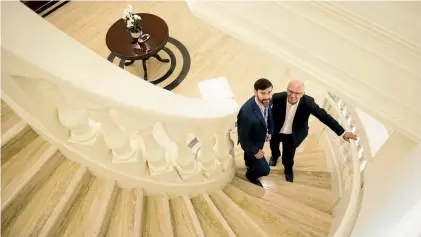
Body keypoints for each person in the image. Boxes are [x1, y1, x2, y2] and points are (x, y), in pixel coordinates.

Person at [270, 79, 357, 182]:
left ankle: (288, 170)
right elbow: (264, 107)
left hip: (293, 135)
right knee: (273, 146)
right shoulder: (277, 97)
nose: (293, 95)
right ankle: (275, 156)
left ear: (302, 94)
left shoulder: (308, 103)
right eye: (290, 91)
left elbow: (324, 117)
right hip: (276, 131)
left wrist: (342, 132)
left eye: (297, 93)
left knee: (288, 157)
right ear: (287, 89)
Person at [237, 78, 274, 187]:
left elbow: (269, 116)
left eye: (269, 92)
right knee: (265, 170)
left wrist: (269, 131)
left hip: (259, 137)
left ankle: (249, 164)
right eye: (263, 93)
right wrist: (255, 151)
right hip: (251, 144)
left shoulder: (267, 100)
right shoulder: (245, 113)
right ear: (255, 92)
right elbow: (243, 138)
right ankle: (250, 175)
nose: (267, 96)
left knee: (250, 160)